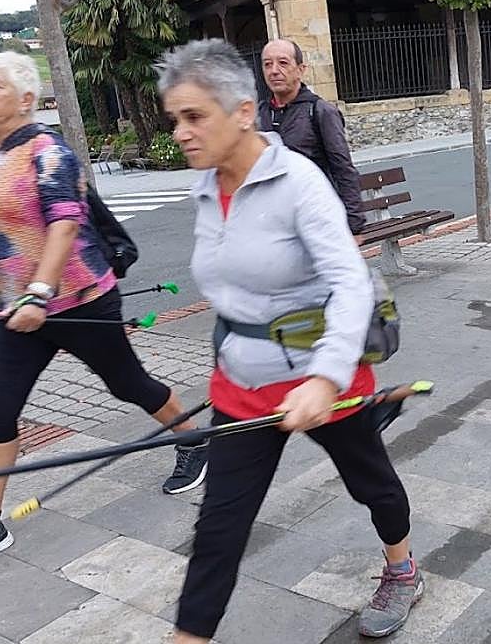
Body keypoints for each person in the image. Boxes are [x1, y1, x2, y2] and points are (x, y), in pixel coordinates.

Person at [159, 40, 420, 642]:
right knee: (219, 532)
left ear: (243, 111)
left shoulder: (298, 183)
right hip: (243, 390)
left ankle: (401, 570)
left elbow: (351, 283)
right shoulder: (205, 185)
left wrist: (324, 380)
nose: (180, 132)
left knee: (371, 486)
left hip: (322, 379)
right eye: (175, 118)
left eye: (194, 116)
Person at [0, 52, 206, 572]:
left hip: (77, 303)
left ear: (26, 99)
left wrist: (40, 291)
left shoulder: (49, 152)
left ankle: (192, 439)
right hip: (20, 314)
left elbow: (66, 223)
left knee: (128, 384)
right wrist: (17, 295)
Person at [258, 38, 365, 234]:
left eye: (283, 63)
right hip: (275, 222)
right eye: (267, 64)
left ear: (300, 69)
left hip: (316, 217)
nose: (274, 70)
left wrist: (353, 224)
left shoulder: (320, 111)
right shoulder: (260, 113)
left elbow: (343, 168)